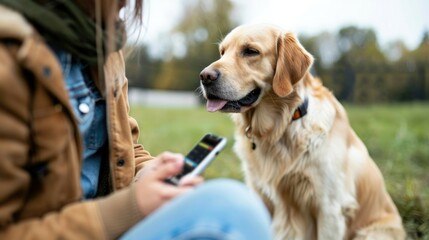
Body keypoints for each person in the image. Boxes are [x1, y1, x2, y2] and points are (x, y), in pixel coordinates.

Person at [0, 0, 272, 239]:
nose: (131, 5)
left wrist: (148, 171)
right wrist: (130, 207)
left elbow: (123, 147)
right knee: (232, 208)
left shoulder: (104, 47)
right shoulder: (8, 61)